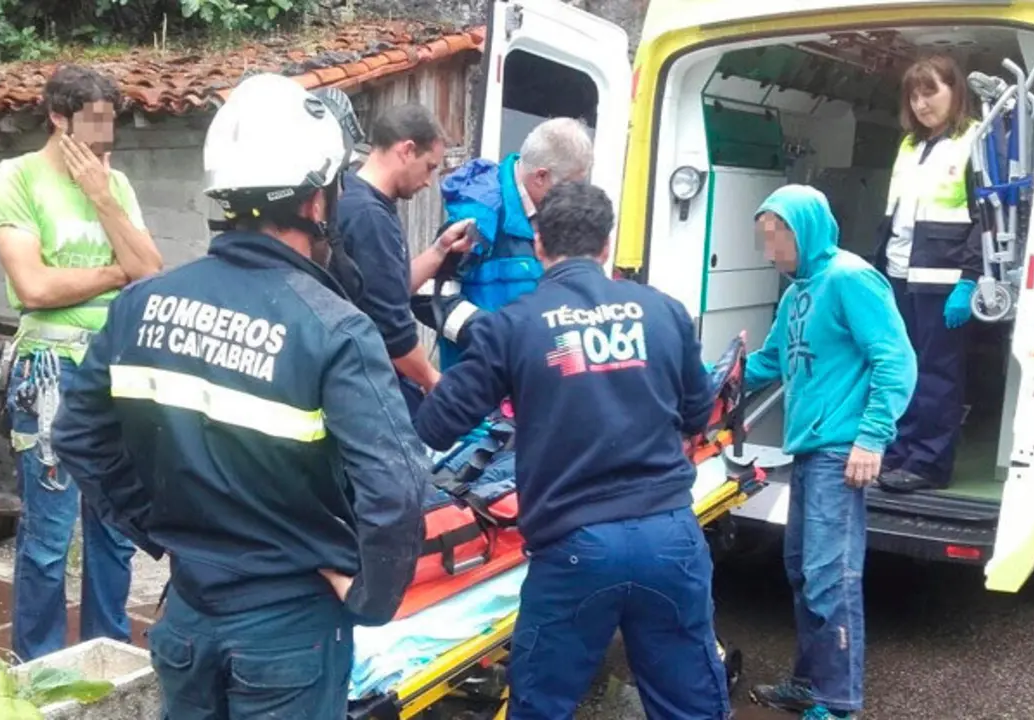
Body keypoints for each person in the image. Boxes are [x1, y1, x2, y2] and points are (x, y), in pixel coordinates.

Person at [51, 73, 430, 718]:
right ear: (317, 203)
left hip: (187, 617)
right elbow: (396, 489)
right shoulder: (335, 328)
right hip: (290, 632)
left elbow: (78, 437)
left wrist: (162, 532)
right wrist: (369, 598)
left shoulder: (142, 304)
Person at [414, 181, 732, 720]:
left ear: (539, 243)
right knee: (692, 708)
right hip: (668, 537)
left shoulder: (514, 324)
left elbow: (437, 425)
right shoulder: (664, 311)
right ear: (606, 244)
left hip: (575, 547)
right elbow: (698, 414)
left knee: (541, 707)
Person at [0, 64, 164, 662]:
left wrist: (102, 198)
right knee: (50, 535)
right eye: (93, 122)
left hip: (116, 367)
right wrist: (116, 272)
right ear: (58, 118)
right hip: (50, 371)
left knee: (116, 527)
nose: (105, 136)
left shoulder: (117, 183)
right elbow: (34, 287)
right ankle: (36, 665)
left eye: (111, 122)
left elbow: (152, 272)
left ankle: (107, 653)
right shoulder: (15, 178)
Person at [744, 185, 917, 720]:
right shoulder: (798, 292)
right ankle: (807, 684)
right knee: (803, 571)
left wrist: (872, 437)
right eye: (765, 240)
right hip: (809, 451)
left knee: (830, 576)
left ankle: (838, 703)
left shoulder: (850, 278)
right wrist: (699, 380)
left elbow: (895, 359)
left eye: (775, 238)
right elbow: (769, 361)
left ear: (804, 231)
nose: (769, 252)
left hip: (840, 451)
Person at [871, 54, 983, 493]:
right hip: (899, 272)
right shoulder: (910, 145)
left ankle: (929, 464)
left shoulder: (975, 140)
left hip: (944, 279)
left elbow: (986, 219)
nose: (921, 103)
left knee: (937, 374)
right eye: (914, 95)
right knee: (901, 367)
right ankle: (899, 452)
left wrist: (969, 279)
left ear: (955, 91)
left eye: (930, 91)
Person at [336, 104, 473, 414]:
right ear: (407, 150)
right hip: (363, 383)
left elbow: (390, 289)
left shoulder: (367, 200)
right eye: (429, 167)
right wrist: (433, 380)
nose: (428, 182)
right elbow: (391, 326)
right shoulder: (368, 216)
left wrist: (440, 250)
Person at [427, 116, 595, 370]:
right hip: (480, 378)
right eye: (570, 186)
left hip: (536, 375)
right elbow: (429, 293)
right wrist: (496, 337)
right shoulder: (478, 216)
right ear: (541, 176)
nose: (574, 197)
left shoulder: (559, 212)